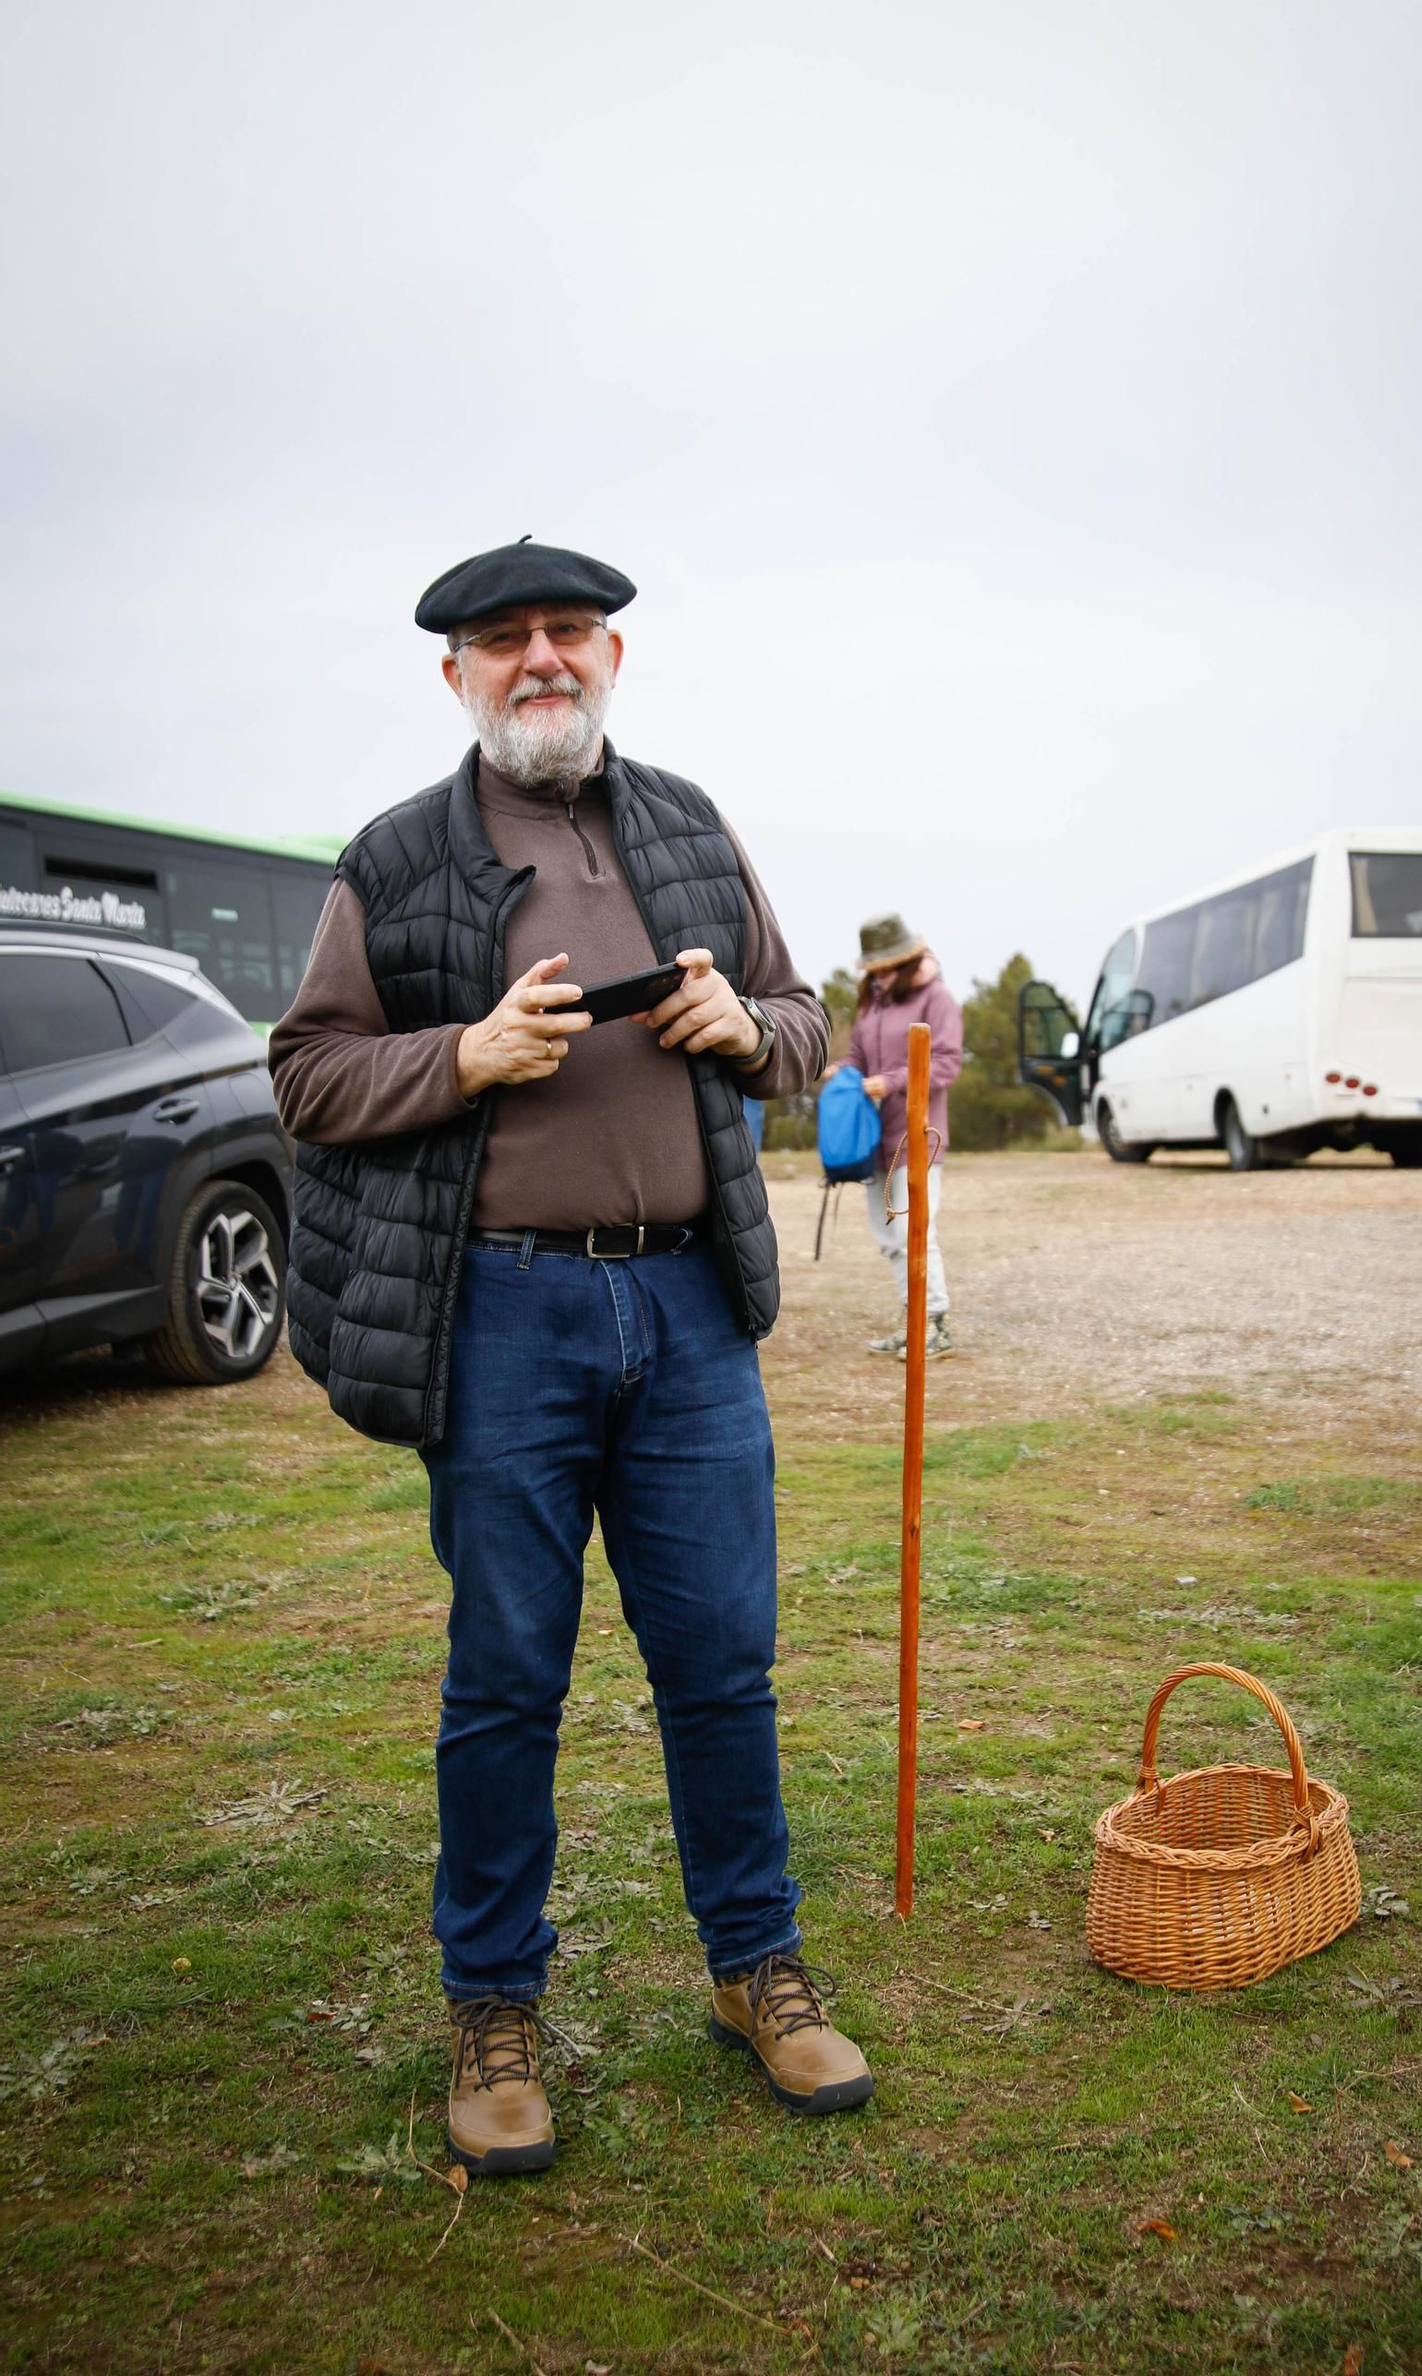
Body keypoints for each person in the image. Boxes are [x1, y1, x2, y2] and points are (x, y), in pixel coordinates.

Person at [270, 537, 873, 2176]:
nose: (541, 657)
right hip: (503, 1316)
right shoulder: (396, 858)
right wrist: (464, 1054)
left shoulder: (690, 824)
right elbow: (308, 1071)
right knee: (506, 1679)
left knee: (722, 1666)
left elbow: (801, 1016)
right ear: (454, 674)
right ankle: (493, 2008)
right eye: (505, 639)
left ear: (612, 655)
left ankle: (756, 1970)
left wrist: (747, 1032)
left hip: (688, 1313)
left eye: (569, 632)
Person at [836, 914, 963, 1359]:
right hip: (875, 1140)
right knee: (889, 1237)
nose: (881, 975)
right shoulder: (872, 1003)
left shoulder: (937, 998)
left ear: (908, 960)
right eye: (876, 968)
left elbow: (945, 1062)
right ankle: (914, 1321)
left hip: (918, 1138)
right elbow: (858, 1056)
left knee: (916, 1232)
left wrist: (889, 1082)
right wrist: (843, 1073)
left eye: (889, 966)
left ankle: (936, 1323)